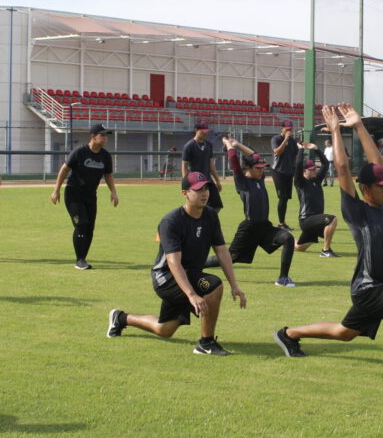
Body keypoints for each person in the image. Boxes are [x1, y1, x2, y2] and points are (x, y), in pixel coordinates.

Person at [272, 103, 383, 381]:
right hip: (373, 288)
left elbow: (379, 164)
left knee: (346, 333)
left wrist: (359, 126)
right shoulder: (357, 211)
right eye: (381, 187)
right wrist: (337, 131)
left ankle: (288, 334)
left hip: (382, 286)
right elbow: (342, 166)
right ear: (365, 189)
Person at [107, 172, 246, 355]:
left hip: (189, 275)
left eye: (206, 189)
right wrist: (191, 294)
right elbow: (174, 262)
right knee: (213, 286)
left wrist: (235, 285)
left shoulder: (210, 215)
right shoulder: (171, 221)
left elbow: (221, 251)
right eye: (197, 190)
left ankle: (121, 318)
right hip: (166, 278)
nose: (204, 193)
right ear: (184, 193)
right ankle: (206, 343)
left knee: (164, 330)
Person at [207, 135, 296, 286]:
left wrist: (238, 144)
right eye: (258, 169)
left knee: (288, 238)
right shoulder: (242, 182)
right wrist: (229, 145)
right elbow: (234, 160)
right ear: (248, 168)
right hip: (249, 228)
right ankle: (193, 265)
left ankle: (283, 278)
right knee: (230, 257)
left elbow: (255, 155)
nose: (262, 172)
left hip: (264, 227)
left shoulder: (259, 179)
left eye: (262, 168)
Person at [50, 123, 119, 269]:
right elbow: (64, 169)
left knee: (89, 228)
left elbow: (108, 175)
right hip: (74, 194)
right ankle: (79, 260)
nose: (105, 138)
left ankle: (83, 259)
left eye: (106, 135)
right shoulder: (80, 152)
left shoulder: (105, 156)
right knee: (81, 224)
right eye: (102, 135)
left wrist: (113, 191)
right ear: (93, 136)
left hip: (90, 196)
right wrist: (56, 190)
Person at [292, 141, 339, 257]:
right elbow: (298, 165)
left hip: (315, 221)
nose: (314, 170)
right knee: (332, 219)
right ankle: (326, 250)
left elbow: (326, 164)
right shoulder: (300, 182)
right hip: (306, 220)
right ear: (304, 171)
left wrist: (316, 149)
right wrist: (301, 150)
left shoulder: (316, 180)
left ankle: (287, 238)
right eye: (311, 169)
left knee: (300, 247)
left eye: (314, 169)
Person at [181, 121, 223, 212]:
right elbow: (184, 165)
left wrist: (217, 180)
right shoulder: (189, 146)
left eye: (206, 131)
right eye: (202, 131)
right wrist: (185, 184)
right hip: (195, 181)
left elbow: (211, 163)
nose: (205, 133)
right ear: (196, 130)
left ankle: (207, 222)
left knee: (217, 205)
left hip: (208, 179)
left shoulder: (208, 145)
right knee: (197, 206)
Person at [270, 120, 299, 229]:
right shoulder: (276, 139)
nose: (289, 131)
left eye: (290, 129)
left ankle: (283, 222)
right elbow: (276, 152)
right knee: (282, 197)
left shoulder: (293, 140)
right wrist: (286, 139)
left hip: (288, 171)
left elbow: (295, 155)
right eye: (287, 129)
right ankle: (281, 224)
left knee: (286, 198)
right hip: (278, 171)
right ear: (282, 128)